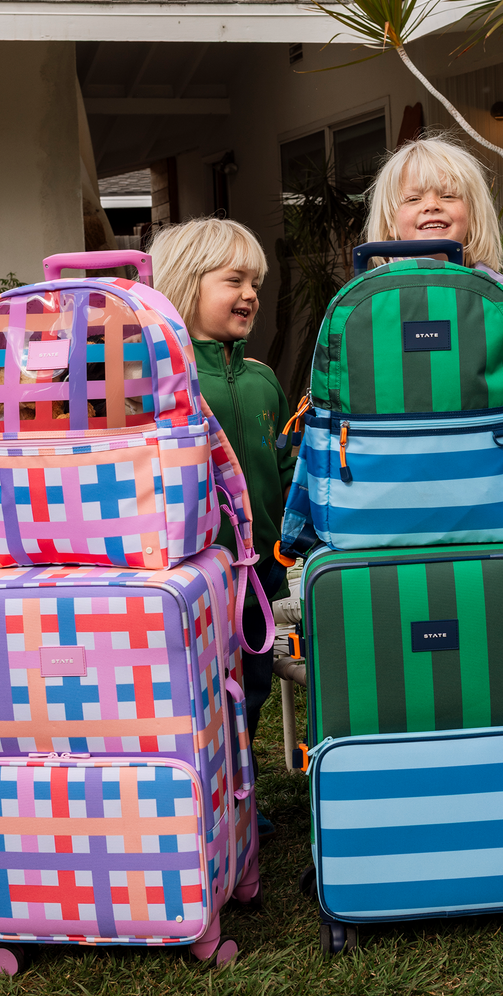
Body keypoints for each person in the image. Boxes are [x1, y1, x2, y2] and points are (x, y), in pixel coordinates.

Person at [153, 217, 295, 843]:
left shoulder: (263, 378)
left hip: (258, 568)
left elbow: (284, 464)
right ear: (185, 286)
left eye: (255, 283)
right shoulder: (165, 381)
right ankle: (192, 793)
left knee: (252, 684)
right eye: (234, 279)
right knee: (196, 687)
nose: (250, 294)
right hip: (194, 569)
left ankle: (238, 792)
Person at [365, 135, 503, 509]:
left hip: (494, 489)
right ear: (389, 221)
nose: (431, 206)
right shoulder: (365, 308)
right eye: (413, 199)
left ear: (473, 212)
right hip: (386, 493)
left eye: (448, 196)